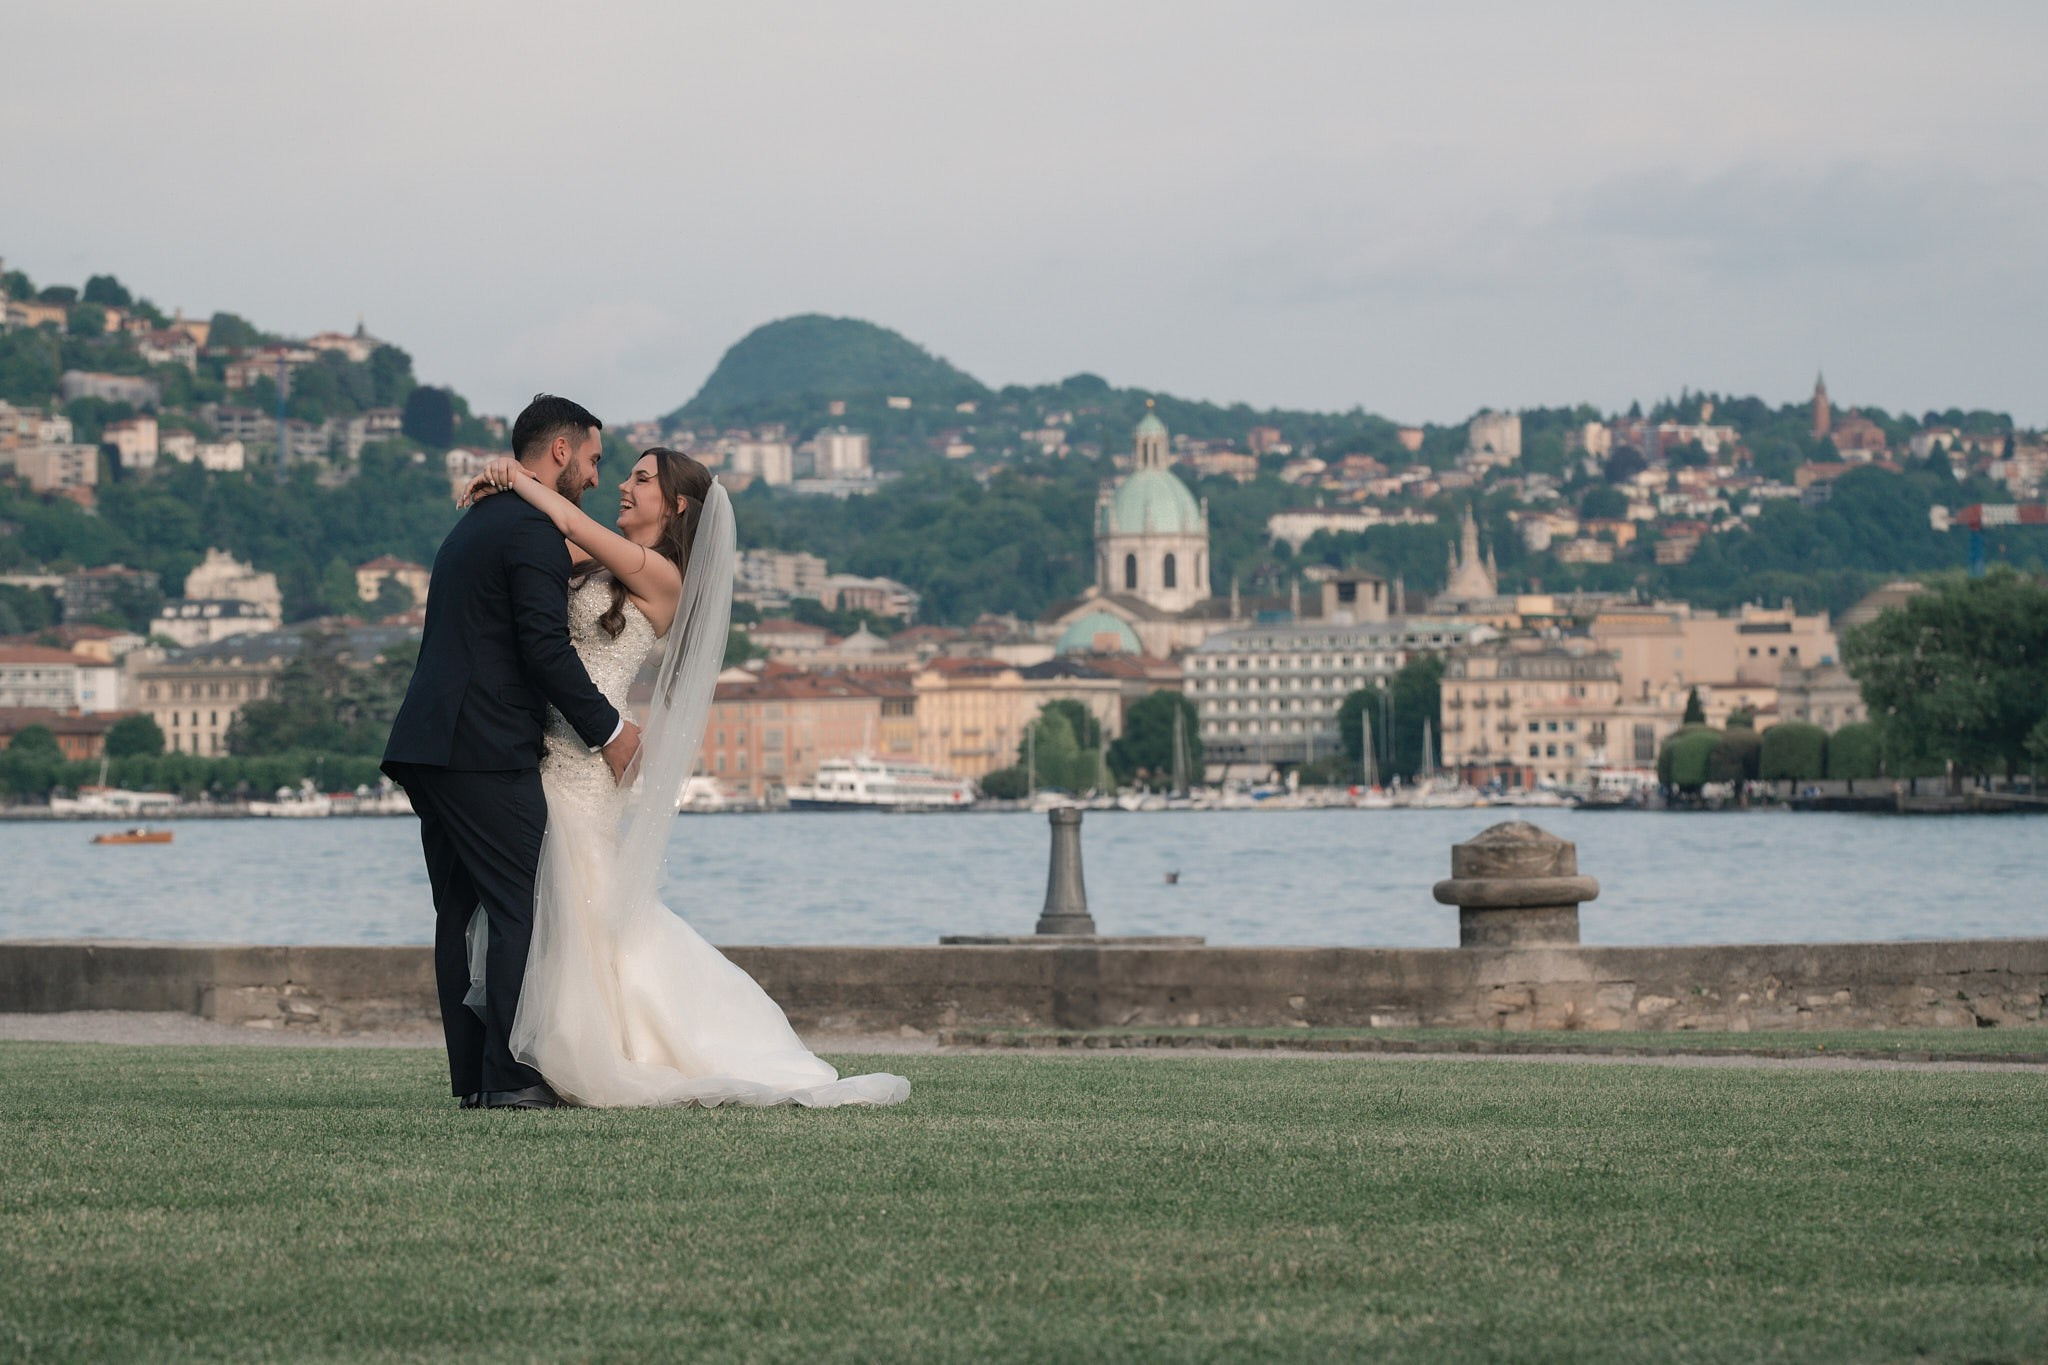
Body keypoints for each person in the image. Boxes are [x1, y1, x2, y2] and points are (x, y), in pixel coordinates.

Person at [458, 442, 909, 1110]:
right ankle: (533, 1057)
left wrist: (518, 475)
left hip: (586, 760)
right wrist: (493, 499)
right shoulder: (600, 555)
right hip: (548, 749)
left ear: (676, 505)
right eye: (628, 475)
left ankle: (573, 1050)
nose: (624, 486)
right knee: (558, 905)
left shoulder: (661, 571)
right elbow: (539, 550)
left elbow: (570, 526)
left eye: (642, 479)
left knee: (577, 898)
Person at [383, 394, 641, 1111]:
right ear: (560, 451)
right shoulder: (526, 530)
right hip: (483, 746)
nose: (595, 476)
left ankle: (473, 1080)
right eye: (592, 459)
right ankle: (508, 1078)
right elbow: (544, 650)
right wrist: (612, 730)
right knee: (518, 906)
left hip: (431, 744)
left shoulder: (482, 521)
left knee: (458, 912)